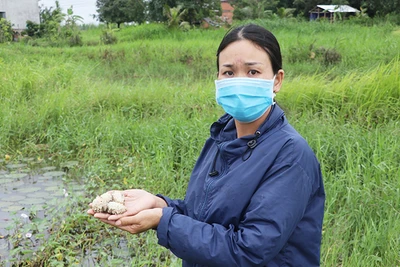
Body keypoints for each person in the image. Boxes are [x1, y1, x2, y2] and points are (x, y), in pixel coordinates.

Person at [88, 23, 325, 266]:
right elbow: (204, 216)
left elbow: (248, 250)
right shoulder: (222, 138)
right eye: (229, 72)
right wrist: (160, 204)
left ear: (277, 80)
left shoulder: (291, 155)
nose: (239, 81)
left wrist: (162, 220)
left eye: (253, 72)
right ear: (218, 78)